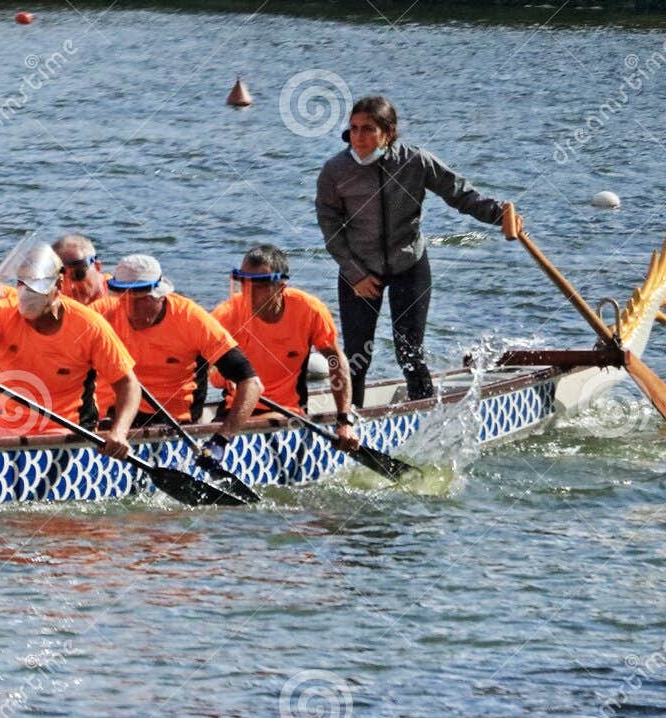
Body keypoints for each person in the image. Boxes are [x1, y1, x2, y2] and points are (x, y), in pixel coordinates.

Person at [316, 93, 522, 403]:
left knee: (409, 352)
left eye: (369, 129)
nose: (359, 137)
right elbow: (329, 226)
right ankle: (348, 421)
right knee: (357, 356)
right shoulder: (336, 170)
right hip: (358, 270)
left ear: (389, 133)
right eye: (354, 128)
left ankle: (423, 415)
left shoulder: (415, 161)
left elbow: (459, 194)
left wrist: (499, 214)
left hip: (408, 265)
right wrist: (355, 273)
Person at [0, 243, 141, 454]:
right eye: (22, 283)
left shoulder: (89, 325)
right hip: (11, 432)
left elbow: (129, 385)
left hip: (70, 437)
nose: (27, 291)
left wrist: (119, 432)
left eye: (36, 284)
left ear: (58, 285)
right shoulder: (1, 313)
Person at [93, 255, 263, 461]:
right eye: (124, 299)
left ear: (160, 295)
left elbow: (251, 383)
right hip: (111, 422)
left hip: (173, 425)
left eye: (141, 301)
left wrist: (221, 440)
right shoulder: (98, 315)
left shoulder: (192, 319)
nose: (131, 310)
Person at [212, 244, 357, 450]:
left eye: (259, 285)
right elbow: (195, 366)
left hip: (287, 413)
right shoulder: (225, 314)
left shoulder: (309, 310)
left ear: (280, 287)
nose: (249, 292)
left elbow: (335, 360)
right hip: (235, 409)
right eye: (244, 283)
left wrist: (344, 421)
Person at [52, 233, 109, 305]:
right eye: (62, 279)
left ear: (97, 267)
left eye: (78, 274)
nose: (71, 286)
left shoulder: (121, 300)